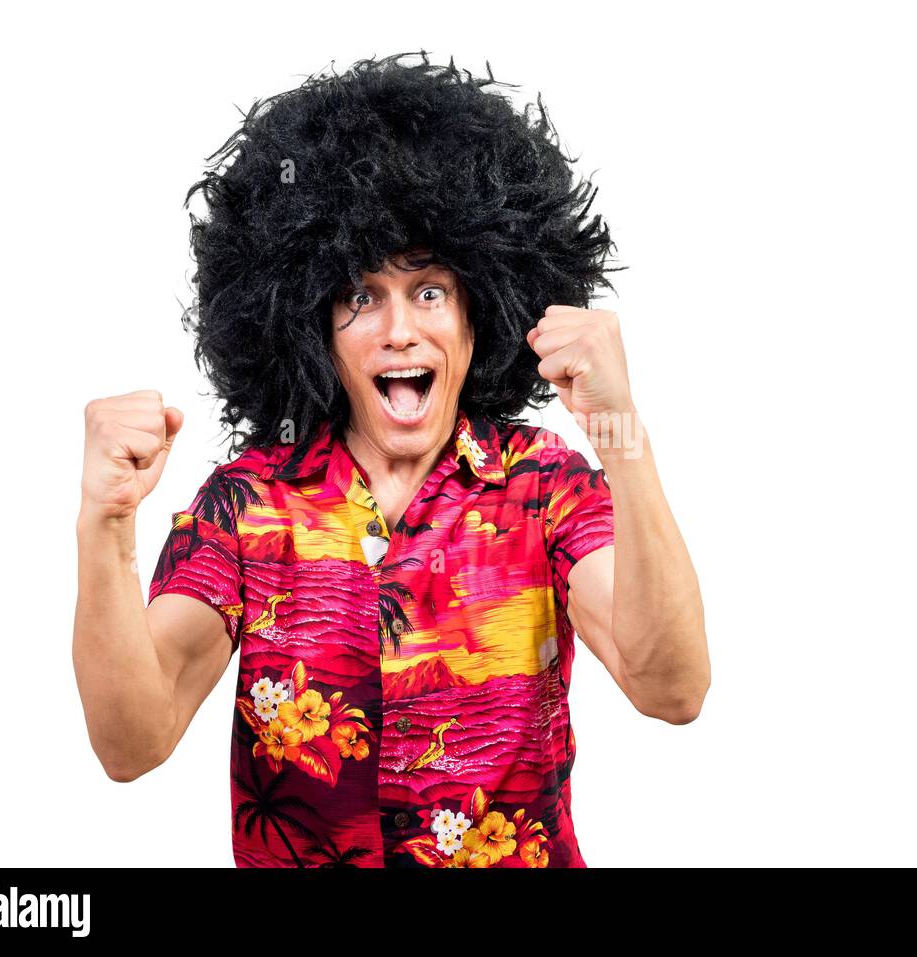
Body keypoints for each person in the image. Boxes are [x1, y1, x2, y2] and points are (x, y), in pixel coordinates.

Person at [73, 52, 708, 868]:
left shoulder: (546, 488)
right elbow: (132, 740)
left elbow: (674, 686)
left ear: (480, 315)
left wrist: (621, 430)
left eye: (430, 290)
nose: (399, 329)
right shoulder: (246, 504)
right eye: (361, 296)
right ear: (312, 327)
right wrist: (106, 523)